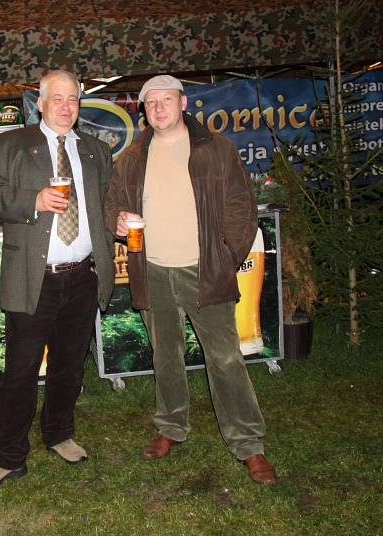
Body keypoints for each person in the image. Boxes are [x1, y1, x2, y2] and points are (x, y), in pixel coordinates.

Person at [104, 75, 277, 484]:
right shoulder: (131, 158)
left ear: (183, 103)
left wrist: (225, 257)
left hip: (205, 270)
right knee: (165, 355)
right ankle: (171, 426)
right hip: (153, 271)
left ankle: (248, 444)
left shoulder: (217, 149)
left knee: (226, 358)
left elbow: (242, 207)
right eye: (151, 103)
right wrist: (117, 220)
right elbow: (113, 206)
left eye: (166, 100)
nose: (158, 108)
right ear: (143, 110)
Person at [0, 69, 115, 491]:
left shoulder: (95, 151)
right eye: (58, 99)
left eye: (73, 99)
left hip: (83, 276)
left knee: (69, 367)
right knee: (21, 371)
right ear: (42, 102)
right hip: (34, 278)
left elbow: (107, 204)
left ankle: (59, 433)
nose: (66, 107)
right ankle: (8, 456)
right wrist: (32, 200)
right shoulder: (10, 144)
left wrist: (118, 222)